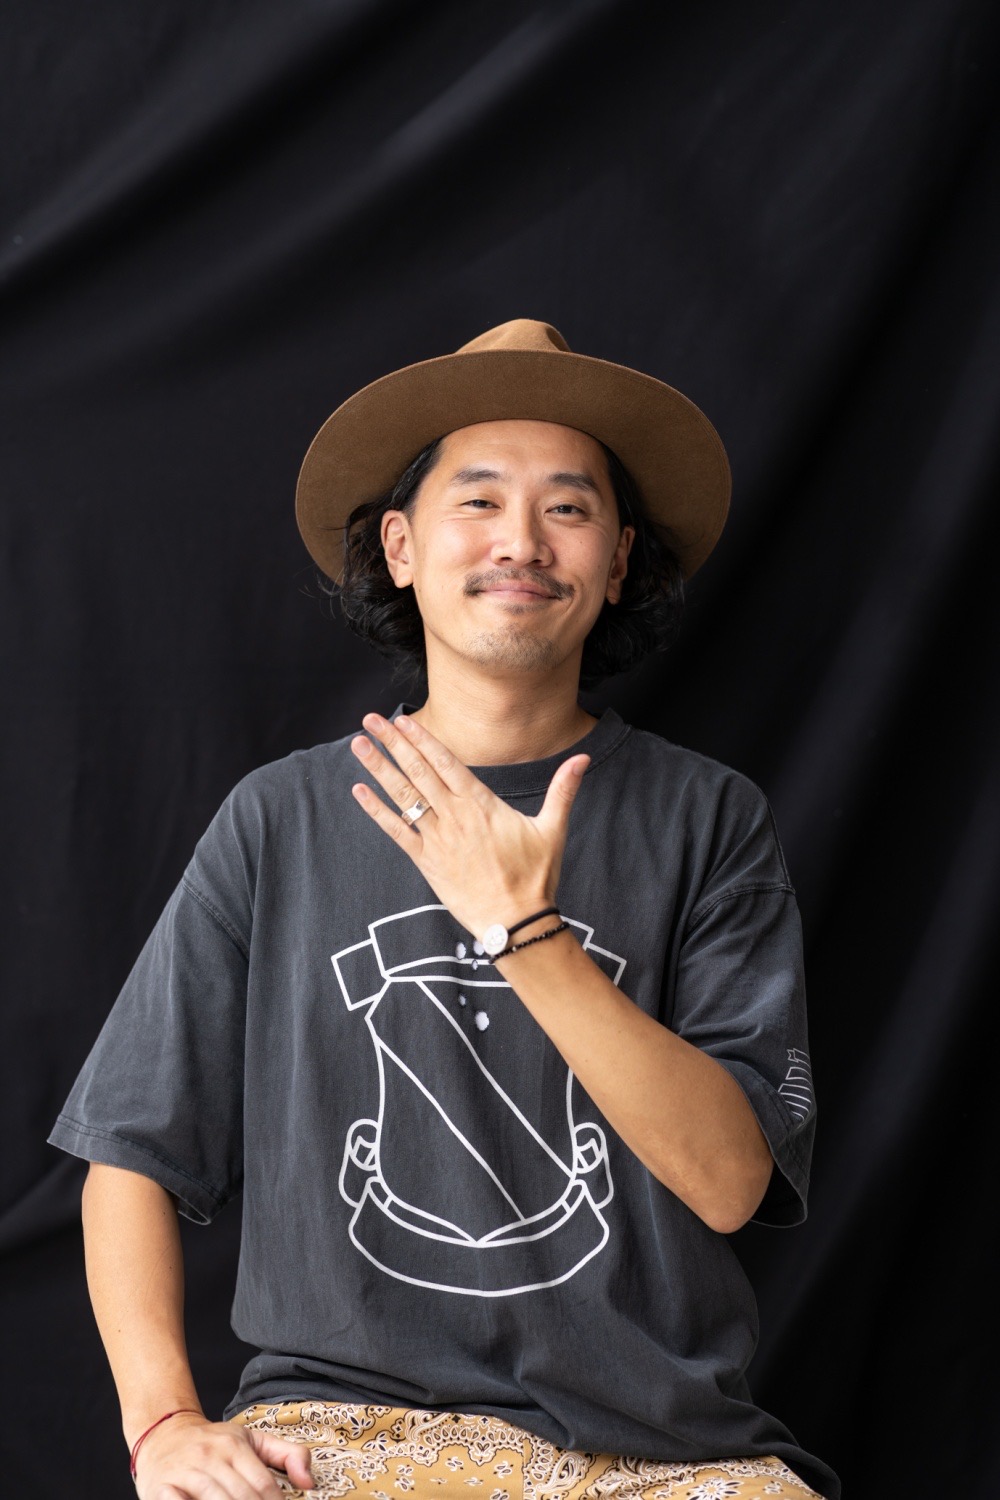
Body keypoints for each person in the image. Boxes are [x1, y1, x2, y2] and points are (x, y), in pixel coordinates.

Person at [49, 319, 839, 1500]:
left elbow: (730, 1182)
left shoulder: (708, 819)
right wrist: (162, 1422)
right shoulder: (280, 820)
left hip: (659, 1457)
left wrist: (527, 932)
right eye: (478, 501)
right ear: (402, 545)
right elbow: (129, 1155)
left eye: (567, 509)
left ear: (617, 563)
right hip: (335, 1432)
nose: (521, 541)